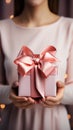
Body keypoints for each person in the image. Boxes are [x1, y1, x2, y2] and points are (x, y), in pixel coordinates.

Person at [0, 0, 73, 130]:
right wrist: (9, 94)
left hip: (55, 124)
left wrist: (62, 94)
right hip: (14, 123)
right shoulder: (2, 29)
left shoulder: (69, 27)